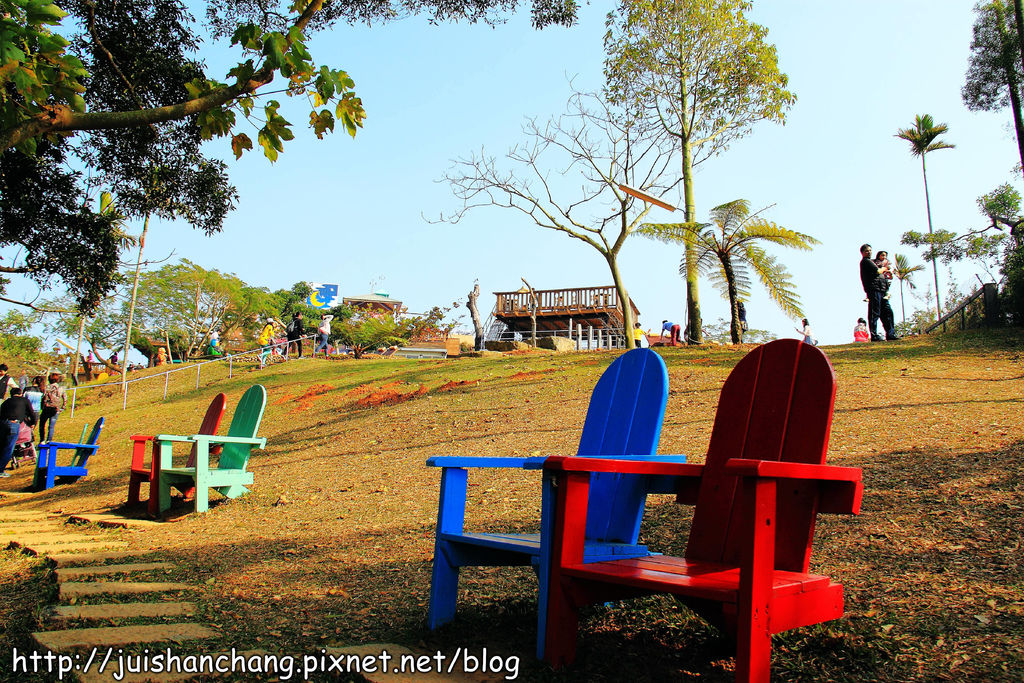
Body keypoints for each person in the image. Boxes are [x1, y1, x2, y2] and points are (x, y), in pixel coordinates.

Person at [859, 243, 898, 342]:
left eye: (870, 250)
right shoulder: (866, 262)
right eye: (866, 251)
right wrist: (885, 268)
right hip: (874, 290)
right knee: (874, 313)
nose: (869, 252)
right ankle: (874, 335)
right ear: (862, 253)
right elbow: (878, 271)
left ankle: (891, 333)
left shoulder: (873, 261)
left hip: (882, 290)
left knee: (887, 312)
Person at [0, 387, 37, 476]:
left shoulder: (5, 402)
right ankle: (0, 470)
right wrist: (32, 423)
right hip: (13, 424)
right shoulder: (24, 400)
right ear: (21, 394)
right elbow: (32, 413)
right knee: (9, 448)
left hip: (2, 424)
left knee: (2, 446)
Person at [38, 372, 66, 443]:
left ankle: (42, 440)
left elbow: (43, 397)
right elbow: (65, 398)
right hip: (55, 408)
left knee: (42, 424)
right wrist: (62, 407)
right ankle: (49, 440)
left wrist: (42, 407)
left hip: (46, 408)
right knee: (51, 426)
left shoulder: (46, 387)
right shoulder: (61, 388)